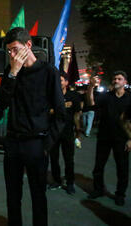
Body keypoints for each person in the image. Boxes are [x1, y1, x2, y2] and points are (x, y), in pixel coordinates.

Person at [0, 27, 65, 226]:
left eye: (15, 49)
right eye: (8, 51)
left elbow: (61, 114)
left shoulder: (48, 71)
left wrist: (46, 146)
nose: (12, 54)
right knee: (12, 196)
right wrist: (13, 74)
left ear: (28, 45)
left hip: (37, 142)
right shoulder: (10, 71)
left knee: (38, 196)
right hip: (13, 142)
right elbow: (2, 103)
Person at [87, 71, 131, 206]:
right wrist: (91, 87)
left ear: (125, 82)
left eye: (119, 79)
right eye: (114, 79)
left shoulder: (129, 99)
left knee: (122, 168)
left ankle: (120, 194)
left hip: (122, 139)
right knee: (98, 166)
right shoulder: (106, 97)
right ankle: (98, 189)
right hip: (104, 137)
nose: (116, 81)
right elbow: (91, 103)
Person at [48, 71, 82, 195]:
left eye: (61, 80)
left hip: (68, 132)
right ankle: (56, 181)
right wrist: (61, 106)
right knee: (54, 159)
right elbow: (48, 111)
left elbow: (77, 114)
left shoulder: (73, 96)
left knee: (69, 159)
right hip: (54, 132)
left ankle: (70, 183)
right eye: (57, 80)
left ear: (66, 82)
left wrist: (78, 132)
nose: (58, 82)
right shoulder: (51, 95)